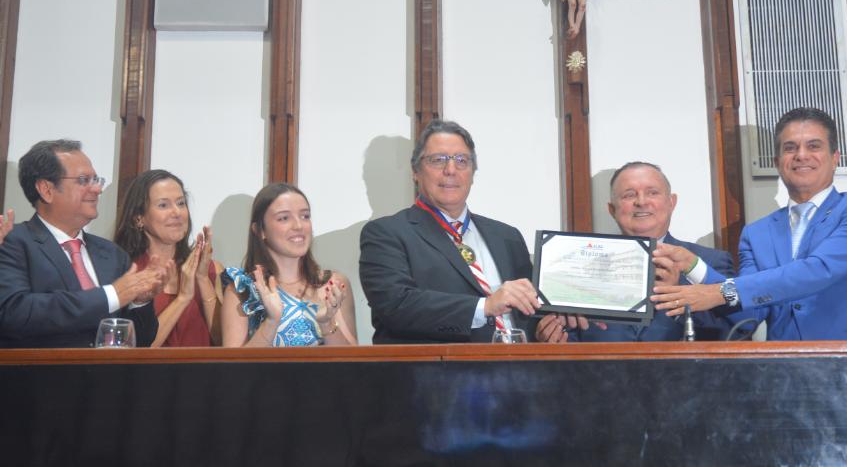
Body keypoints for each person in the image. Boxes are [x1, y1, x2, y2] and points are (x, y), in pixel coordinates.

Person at [651, 107, 847, 340]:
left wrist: (719, 291)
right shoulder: (757, 233)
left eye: (814, 146)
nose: (801, 155)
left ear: (835, 158)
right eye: (790, 148)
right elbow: (749, 315)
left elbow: (818, 270)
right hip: (783, 364)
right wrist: (696, 268)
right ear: (778, 161)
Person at [359, 119, 541, 344]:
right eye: (438, 160)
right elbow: (396, 305)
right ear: (415, 172)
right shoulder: (385, 234)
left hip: (522, 363)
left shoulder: (507, 236)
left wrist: (546, 327)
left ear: (472, 173)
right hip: (438, 365)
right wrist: (485, 306)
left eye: (462, 161)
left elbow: (529, 311)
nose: (451, 170)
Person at [535, 162, 735, 343]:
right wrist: (555, 337)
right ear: (612, 210)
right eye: (629, 195)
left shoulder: (710, 262)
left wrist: (677, 298)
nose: (641, 202)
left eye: (652, 193)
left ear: (671, 202)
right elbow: (570, 339)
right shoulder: (579, 264)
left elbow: (732, 333)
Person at [0, 139, 168, 348]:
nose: (97, 189)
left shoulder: (112, 254)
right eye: (83, 180)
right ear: (46, 189)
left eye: (96, 180)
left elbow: (141, 341)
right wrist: (111, 295)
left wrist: (139, 302)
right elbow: (14, 313)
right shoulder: (11, 242)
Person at [221, 183, 356, 347]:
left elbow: (353, 359)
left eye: (305, 216)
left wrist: (326, 323)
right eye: (284, 218)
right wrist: (271, 322)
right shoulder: (243, 289)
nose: (299, 226)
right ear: (259, 230)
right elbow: (235, 362)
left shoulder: (332, 285)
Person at [114, 170, 223, 347]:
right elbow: (136, 348)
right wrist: (183, 298)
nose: (177, 212)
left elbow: (224, 343)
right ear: (139, 218)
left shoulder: (213, 270)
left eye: (181, 203)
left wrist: (202, 279)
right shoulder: (125, 272)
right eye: (163, 205)